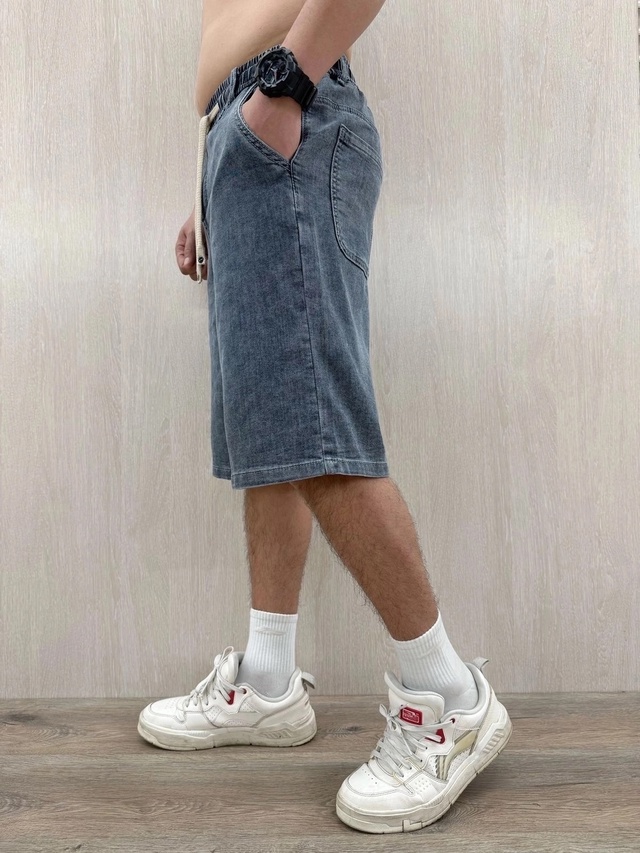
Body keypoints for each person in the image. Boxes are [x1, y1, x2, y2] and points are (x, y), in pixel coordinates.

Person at [138, 0, 512, 834]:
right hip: (252, 126)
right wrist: (212, 171)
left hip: (289, 108)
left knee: (314, 424)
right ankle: (268, 680)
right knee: (274, 434)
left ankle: (450, 695)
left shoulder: (286, 94)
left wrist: (284, 90)